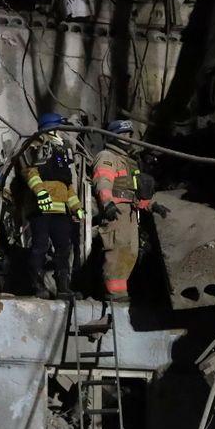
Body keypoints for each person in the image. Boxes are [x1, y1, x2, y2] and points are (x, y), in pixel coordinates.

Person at [21, 112, 84, 299]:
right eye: (60, 127)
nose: (63, 131)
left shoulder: (62, 150)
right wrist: (40, 192)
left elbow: (67, 184)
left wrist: (76, 206)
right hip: (42, 208)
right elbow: (30, 172)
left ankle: (63, 288)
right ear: (52, 127)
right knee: (40, 246)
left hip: (61, 210)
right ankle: (38, 286)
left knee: (64, 248)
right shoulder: (36, 144)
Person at [90, 120, 151, 300]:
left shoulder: (129, 162)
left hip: (130, 210)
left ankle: (120, 291)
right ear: (112, 136)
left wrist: (151, 205)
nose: (127, 137)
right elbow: (103, 181)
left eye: (129, 134)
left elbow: (136, 191)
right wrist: (107, 203)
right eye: (122, 133)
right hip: (116, 210)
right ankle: (113, 292)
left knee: (130, 251)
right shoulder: (107, 156)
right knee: (117, 248)